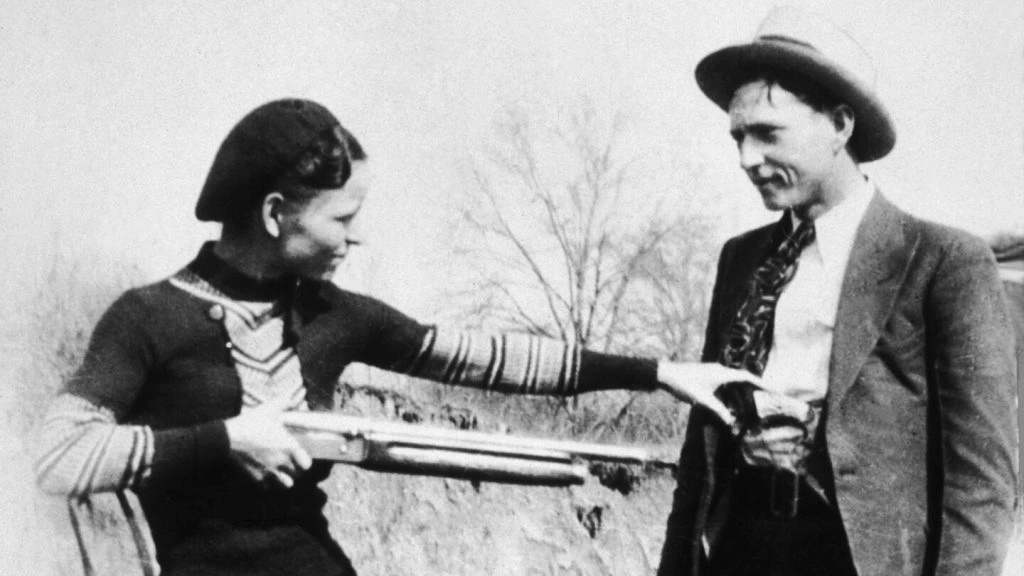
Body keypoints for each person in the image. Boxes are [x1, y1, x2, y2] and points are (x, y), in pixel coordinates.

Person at [32, 98, 756, 576]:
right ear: (277, 214)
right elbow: (57, 455)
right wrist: (227, 439)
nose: (357, 237)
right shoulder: (147, 317)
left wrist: (660, 372)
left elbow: (488, 358)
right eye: (342, 219)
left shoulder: (337, 315)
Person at [657, 8, 1018, 576]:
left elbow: (982, 480)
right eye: (738, 137)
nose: (747, 158)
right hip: (740, 551)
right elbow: (701, 450)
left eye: (768, 133)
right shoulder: (740, 260)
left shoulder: (943, 261)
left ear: (840, 125)